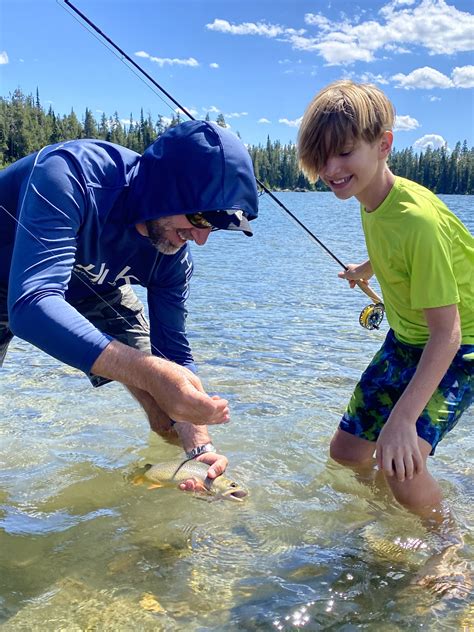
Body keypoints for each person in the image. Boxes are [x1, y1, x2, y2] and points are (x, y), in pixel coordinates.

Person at [0, 119, 258, 487]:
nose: (200, 238)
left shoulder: (171, 252)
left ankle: (163, 512)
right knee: (153, 375)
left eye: (215, 226)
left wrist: (199, 447)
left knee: (166, 402)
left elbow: (174, 356)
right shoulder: (67, 174)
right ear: (165, 190)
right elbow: (30, 307)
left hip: (93, 284)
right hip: (15, 277)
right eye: (201, 217)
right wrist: (151, 372)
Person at [297, 80, 473, 517]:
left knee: (402, 464)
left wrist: (402, 419)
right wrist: (366, 268)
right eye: (322, 156)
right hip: (406, 339)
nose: (331, 168)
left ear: (383, 145)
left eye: (344, 152)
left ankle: (447, 549)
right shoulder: (369, 195)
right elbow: (389, 244)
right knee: (347, 452)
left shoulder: (418, 221)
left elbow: (446, 334)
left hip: (459, 346)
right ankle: (378, 516)